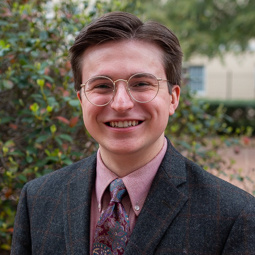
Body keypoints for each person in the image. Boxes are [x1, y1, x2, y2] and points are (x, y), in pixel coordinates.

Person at [11, 11, 255, 255]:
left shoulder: (235, 215)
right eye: (102, 86)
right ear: (81, 100)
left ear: (173, 98)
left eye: (141, 84)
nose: (121, 104)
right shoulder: (38, 199)